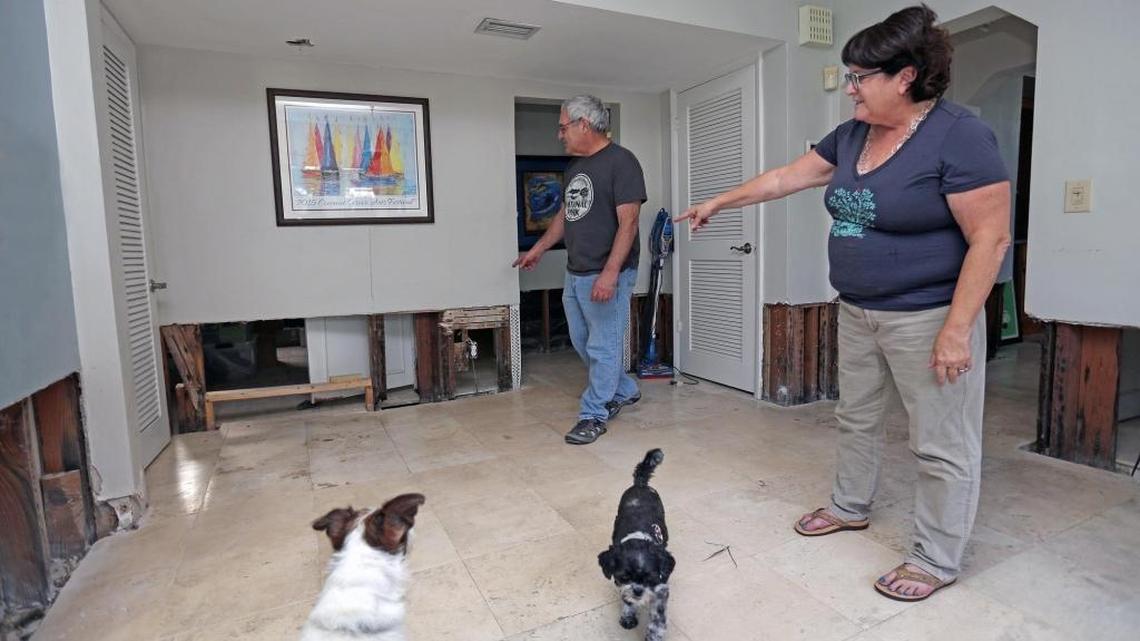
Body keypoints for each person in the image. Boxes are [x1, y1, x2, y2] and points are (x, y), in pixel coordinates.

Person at [676, 5, 1010, 602]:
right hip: (856, 307)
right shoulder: (853, 134)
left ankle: (936, 557)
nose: (849, 87)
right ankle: (850, 505)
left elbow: (990, 236)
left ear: (904, 76)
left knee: (940, 439)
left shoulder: (960, 136)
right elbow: (787, 177)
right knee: (855, 416)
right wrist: (719, 202)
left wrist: (957, 329)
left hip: (928, 315)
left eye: (859, 76)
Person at [514, 95, 647, 445]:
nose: (560, 135)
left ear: (584, 125)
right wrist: (539, 249)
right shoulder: (576, 167)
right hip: (576, 271)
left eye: (563, 127)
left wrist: (610, 273)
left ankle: (593, 415)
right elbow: (565, 216)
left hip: (606, 271)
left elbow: (629, 223)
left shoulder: (623, 162)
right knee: (581, 340)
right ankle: (624, 388)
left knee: (603, 347)